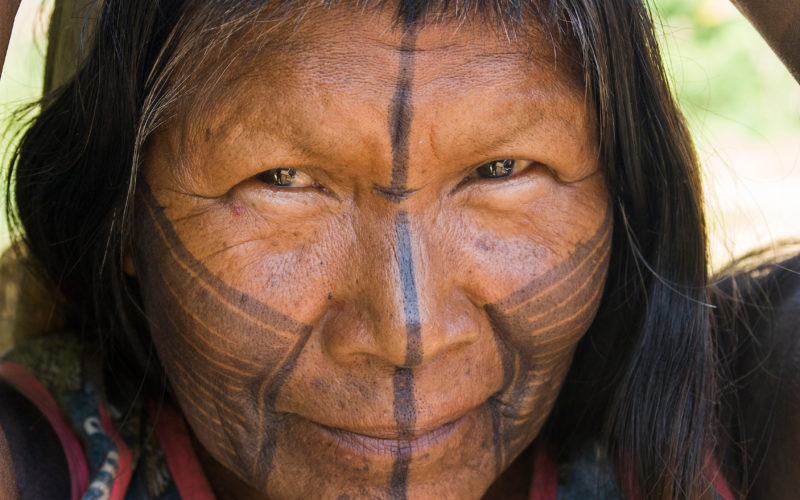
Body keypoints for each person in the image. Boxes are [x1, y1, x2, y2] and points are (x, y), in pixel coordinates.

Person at [0, 0, 797, 498]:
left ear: (623, 191)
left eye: (500, 170)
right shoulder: (38, 464)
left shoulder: (742, 420)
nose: (407, 330)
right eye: (284, 179)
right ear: (123, 209)